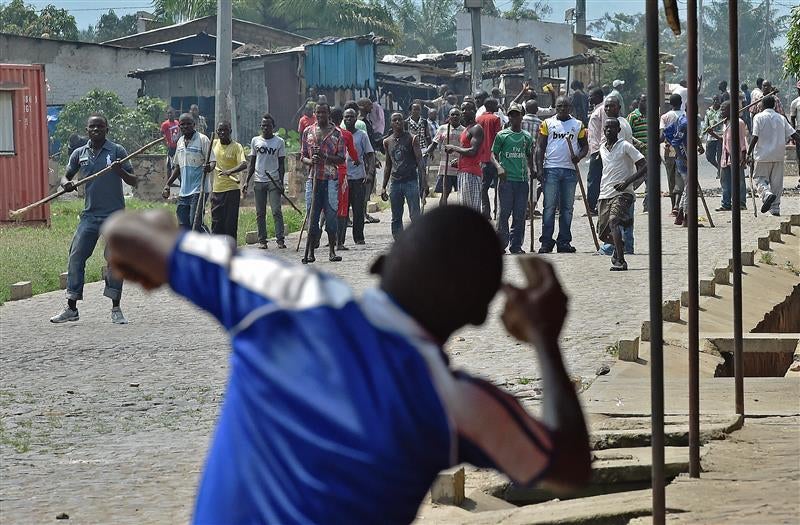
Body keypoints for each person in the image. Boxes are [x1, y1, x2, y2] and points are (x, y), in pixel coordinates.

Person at [100, 204, 592, 525]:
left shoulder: (287, 297)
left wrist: (165, 235)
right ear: (479, 315)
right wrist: (546, 339)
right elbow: (568, 467)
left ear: (381, 262)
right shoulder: (458, 405)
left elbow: (123, 234)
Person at [49, 114, 137, 325]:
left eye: (100, 126)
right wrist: (65, 185)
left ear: (107, 128)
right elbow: (66, 177)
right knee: (76, 255)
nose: (96, 130)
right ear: (86, 130)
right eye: (92, 127)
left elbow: (134, 180)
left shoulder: (117, 151)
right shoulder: (80, 153)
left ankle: (116, 307)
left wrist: (120, 172)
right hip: (90, 215)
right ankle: (71, 307)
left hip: (115, 216)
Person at [536, 96, 589, 253]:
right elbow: (540, 147)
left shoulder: (578, 125)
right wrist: (539, 169)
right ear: (556, 107)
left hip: (570, 171)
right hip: (551, 169)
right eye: (559, 106)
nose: (562, 108)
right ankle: (546, 242)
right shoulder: (547, 124)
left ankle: (564, 241)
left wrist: (578, 156)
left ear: (570, 107)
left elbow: (585, 146)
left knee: (567, 208)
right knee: (549, 207)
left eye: (565, 106)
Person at [597, 119, 646, 271]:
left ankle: (620, 260)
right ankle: (620, 244)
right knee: (603, 234)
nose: (609, 131)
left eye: (612, 128)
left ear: (618, 130)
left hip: (623, 193)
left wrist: (627, 182)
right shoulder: (602, 148)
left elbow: (644, 165)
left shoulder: (625, 146)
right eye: (606, 128)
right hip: (605, 193)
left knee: (613, 222)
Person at [301, 102, 346, 263]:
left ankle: (332, 251)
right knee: (312, 218)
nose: (320, 116)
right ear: (314, 113)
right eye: (318, 113)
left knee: (331, 216)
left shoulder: (337, 134)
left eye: (323, 113)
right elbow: (303, 156)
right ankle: (311, 252)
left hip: (330, 180)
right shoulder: (308, 132)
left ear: (329, 114)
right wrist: (310, 160)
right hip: (313, 180)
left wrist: (325, 157)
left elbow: (341, 158)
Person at [492, 103, 534, 254]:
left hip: (522, 181)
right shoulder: (502, 135)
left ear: (522, 116)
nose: (514, 117)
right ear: (508, 117)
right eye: (512, 115)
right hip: (506, 181)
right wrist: (498, 167)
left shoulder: (527, 137)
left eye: (517, 114)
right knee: (503, 214)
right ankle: (501, 244)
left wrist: (533, 170)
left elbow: (529, 156)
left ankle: (516, 245)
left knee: (520, 214)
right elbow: (493, 154)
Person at [747, 95, 800, 216]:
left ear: (763, 105)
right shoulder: (781, 118)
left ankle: (766, 194)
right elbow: (794, 135)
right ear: (774, 105)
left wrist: (749, 153)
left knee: (759, 179)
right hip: (778, 155)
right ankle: (775, 208)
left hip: (762, 155)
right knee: (777, 183)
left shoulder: (758, 117)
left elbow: (755, 136)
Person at [163, 113, 215, 231]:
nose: (185, 126)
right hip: (184, 191)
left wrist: (209, 167)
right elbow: (178, 167)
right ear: (179, 126)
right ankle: (191, 248)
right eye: (182, 124)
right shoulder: (180, 141)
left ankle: (212, 246)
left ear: (194, 125)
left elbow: (212, 161)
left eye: (188, 124)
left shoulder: (203, 139)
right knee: (183, 225)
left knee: (196, 223)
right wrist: (168, 184)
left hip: (199, 190)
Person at [242, 114, 287, 249]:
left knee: (276, 211)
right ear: (260, 127)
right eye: (263, 125)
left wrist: (281, 182)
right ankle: (262, 240)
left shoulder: (279, 142)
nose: (265, 128)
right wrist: (246, 181)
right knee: (260, 213)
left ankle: (280, 239)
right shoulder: (255, 141)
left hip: (273, 180)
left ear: (273, 127)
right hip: (259, 180)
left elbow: (282, 164)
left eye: (268, 125)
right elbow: (252, 162)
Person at [332, 107, 369, 249]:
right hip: (341, 177)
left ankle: (357, 237)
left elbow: (365, 154)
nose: (348, 119)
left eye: (351, 117)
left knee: (357, 208)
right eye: (346, 117)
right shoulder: (338, 134)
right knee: (342, 210)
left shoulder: (359, 135)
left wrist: (368, 171)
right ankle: (338, 239)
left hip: (356, 176)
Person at [382, 112, 422, 239]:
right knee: (396, 215)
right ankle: (398, 241)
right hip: (395, 182)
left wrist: (424, 182)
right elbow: (388, 165)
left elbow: (420, 161)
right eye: (395, 120)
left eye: (400, 119)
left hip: (410, 180)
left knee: (415, 214)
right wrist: (383, 186)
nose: (398, 122)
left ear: (403, 122)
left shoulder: (412, 138)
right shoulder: (387, 141)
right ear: (391, 123)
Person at [444, 101, 484, 211]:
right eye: (463, 109)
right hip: (463, 172)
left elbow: (473, 151)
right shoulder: (466, 129)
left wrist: (454, 148)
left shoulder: (476, 128)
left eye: (468, 109)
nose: (465, 112)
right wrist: (459, 161)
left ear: (474, 111)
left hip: (471, 174)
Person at [209, 121, 246, 241]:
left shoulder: (236, 146)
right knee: (216, 224)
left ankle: (231, 253)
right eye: (220, 130)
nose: (222, 133)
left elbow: (244, 164)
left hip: (232, 191)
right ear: (217, 132)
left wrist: (230, 171)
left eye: (225, 130)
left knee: (230, 224)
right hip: (217, 190)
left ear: (230, 131)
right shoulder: (213, 144)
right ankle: (216, 254)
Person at [425, 106, 463, 200]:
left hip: (459, 165)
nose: (455, 116)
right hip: (445, 165)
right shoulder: (442, 128)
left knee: (461, 193)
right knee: (445, 192)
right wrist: (428, 152)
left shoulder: (464, 130)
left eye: (457, 115)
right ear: (449, 117)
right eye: (452, 115)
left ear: (460, 116)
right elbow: (434, 143)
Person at [717, 101, 748, 212]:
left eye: (723, 109)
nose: (721, 111)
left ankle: (741, 203)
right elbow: (724, 141)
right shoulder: (725, 123)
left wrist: (744, 157)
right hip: (725, 157)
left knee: (739, 181)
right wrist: (712, 134)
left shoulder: (738, 123)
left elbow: (742, 141)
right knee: (725, 182)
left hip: (736, 157)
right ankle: (726, 203)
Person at [476, 98, 503, 219]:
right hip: (495, 157)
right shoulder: (495, 119)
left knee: (484, 187)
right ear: (491, 106)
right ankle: (497, 210)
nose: (498, 105)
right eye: (496, 104)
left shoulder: (479, 119)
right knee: (498, 187)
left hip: (482, 158)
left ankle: (485, 211)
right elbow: (499, 137)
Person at [660, 93, 686, 216]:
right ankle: (680, 205)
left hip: (669, 150)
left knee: (671, 178)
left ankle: (673, 207)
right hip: (684, 150)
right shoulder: (686, 115)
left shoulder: (665, 117)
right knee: (681, 178)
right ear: (681, 103)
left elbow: (662, 136)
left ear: (670, 104)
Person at [586, 88, 608, 214]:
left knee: (594, 179)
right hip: (595, 149)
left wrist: (601, 149)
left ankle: (592, 206)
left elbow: (605, 129)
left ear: (599, 96)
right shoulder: (596, 109)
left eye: (591, 96)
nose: (589, 99)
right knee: (595, 178)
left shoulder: (603, 109)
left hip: (599, 150)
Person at [626, 94, 648, 211]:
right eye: (644, 100)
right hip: (636, 154)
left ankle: (648, 206)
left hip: (649, 154)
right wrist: (638, 143)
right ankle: (626, 196)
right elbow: (628, 135)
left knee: (650, 180)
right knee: (636, 178)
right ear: (639, 101)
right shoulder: (633, 116)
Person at [522, 98, 543, 215]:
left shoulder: (520, 121)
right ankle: (530, 207)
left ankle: (524, 208)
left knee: (522, 182)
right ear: (536, 110)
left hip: (520, 157)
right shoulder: (541, 123)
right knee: (534, 184)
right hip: (535, 157)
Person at [702, 96, 724, 172]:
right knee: (709, 156)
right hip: (711, 136)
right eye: (714, 100)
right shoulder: (708, 111)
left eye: (717, 100)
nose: (716, 102)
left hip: (721, 136)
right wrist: (704, 132)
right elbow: (705, 124)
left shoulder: (723, 110)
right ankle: (719, 168)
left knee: (719, 156)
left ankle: (720, 172)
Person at [160, 108, 180, 178]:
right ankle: (169, 180)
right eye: (168, 113)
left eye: (171, 113)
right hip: (170, 147)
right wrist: (166, 144)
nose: (170, 114)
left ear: (174, 114)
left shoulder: (177, 123)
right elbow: (161, 134)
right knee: (169, 164)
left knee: (178, 164)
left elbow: (179, 132)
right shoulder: (165, 124)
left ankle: (179, 180)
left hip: (177, 147)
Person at [790, 81, 800, 178]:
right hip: (799, 131)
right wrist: (792, 133)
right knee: (799, 155)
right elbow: (792, 118)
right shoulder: (795, 102)